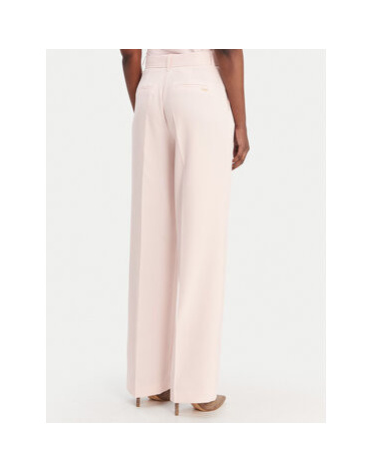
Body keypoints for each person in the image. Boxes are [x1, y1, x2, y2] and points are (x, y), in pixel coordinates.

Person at [121, 49, 249, 415]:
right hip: (199, 87)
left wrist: (147, 103)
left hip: (149, 88)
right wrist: (241, 124)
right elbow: (226, 50)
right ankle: (196, 385)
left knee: (150, 238)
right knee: (202, 238)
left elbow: (129, 53)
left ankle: (149, 381)